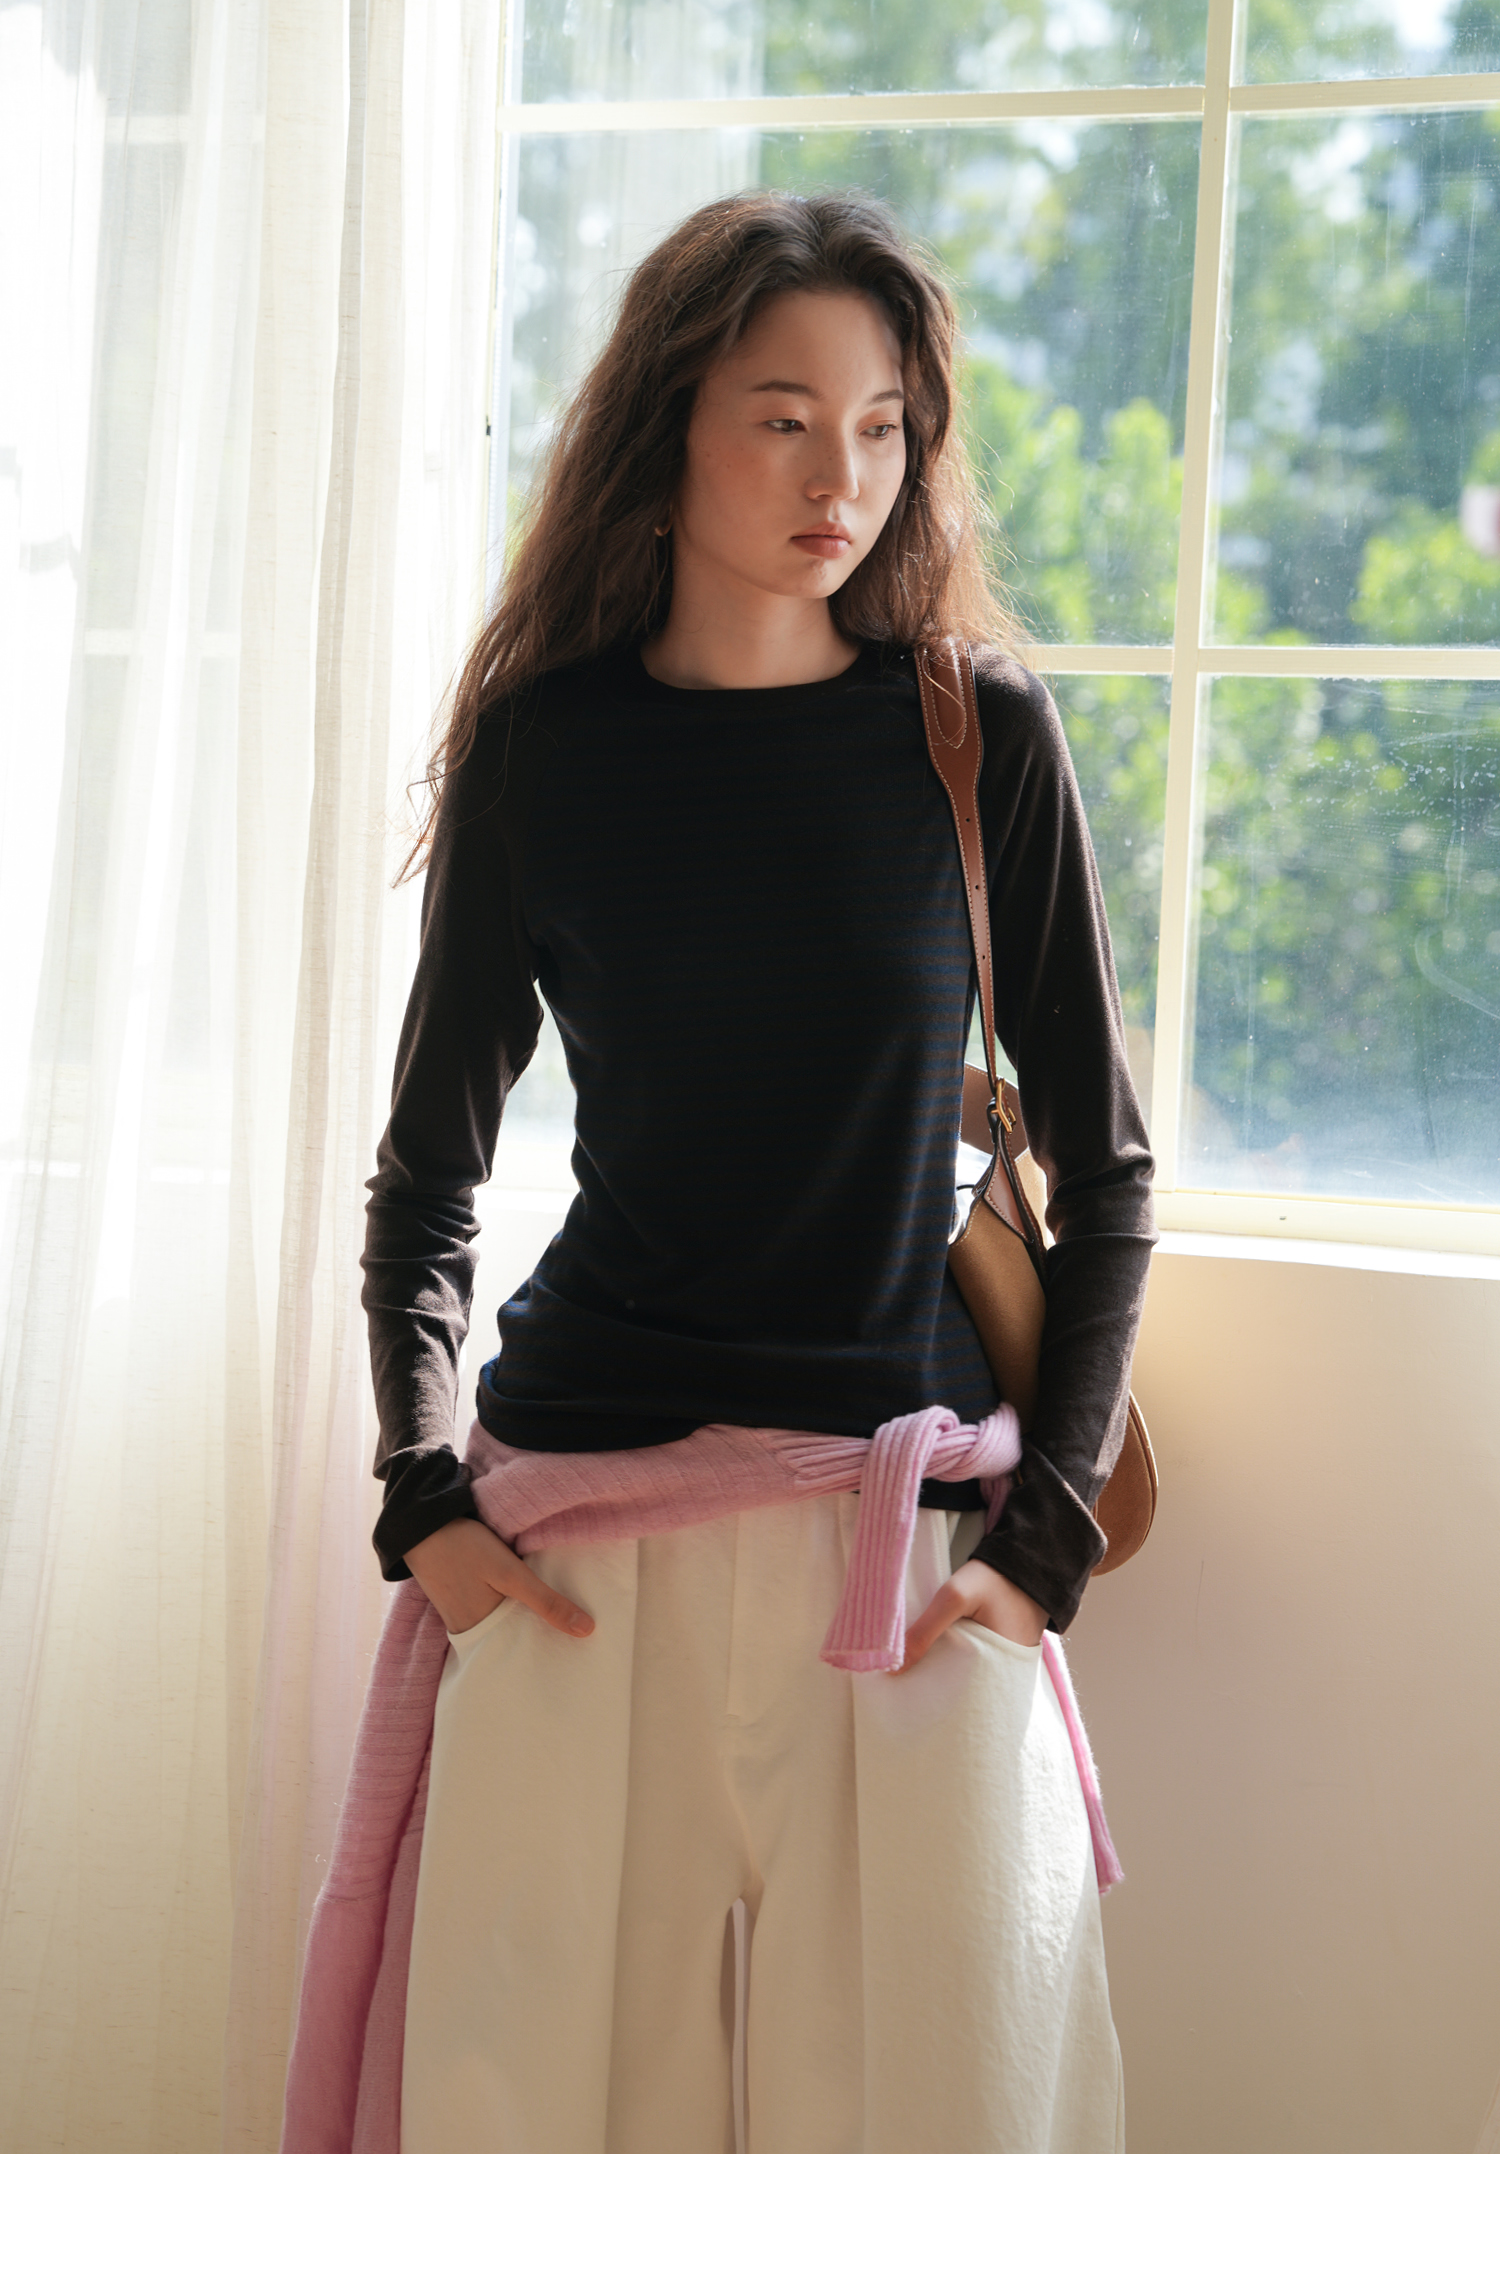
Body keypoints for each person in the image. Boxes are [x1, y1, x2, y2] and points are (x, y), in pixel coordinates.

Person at [361, 189, 1155, 2154]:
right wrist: (423, 1502)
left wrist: (1045, 1547)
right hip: (582, 1545)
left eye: (882, 426)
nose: (841, 479)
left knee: (952, 2136)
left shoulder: (976, 735)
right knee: (539, 2137)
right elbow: (428, 1175)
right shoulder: (546, 751)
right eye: (784, 419)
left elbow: (1110, 1168)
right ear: (671, 425)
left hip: (906, 1550)